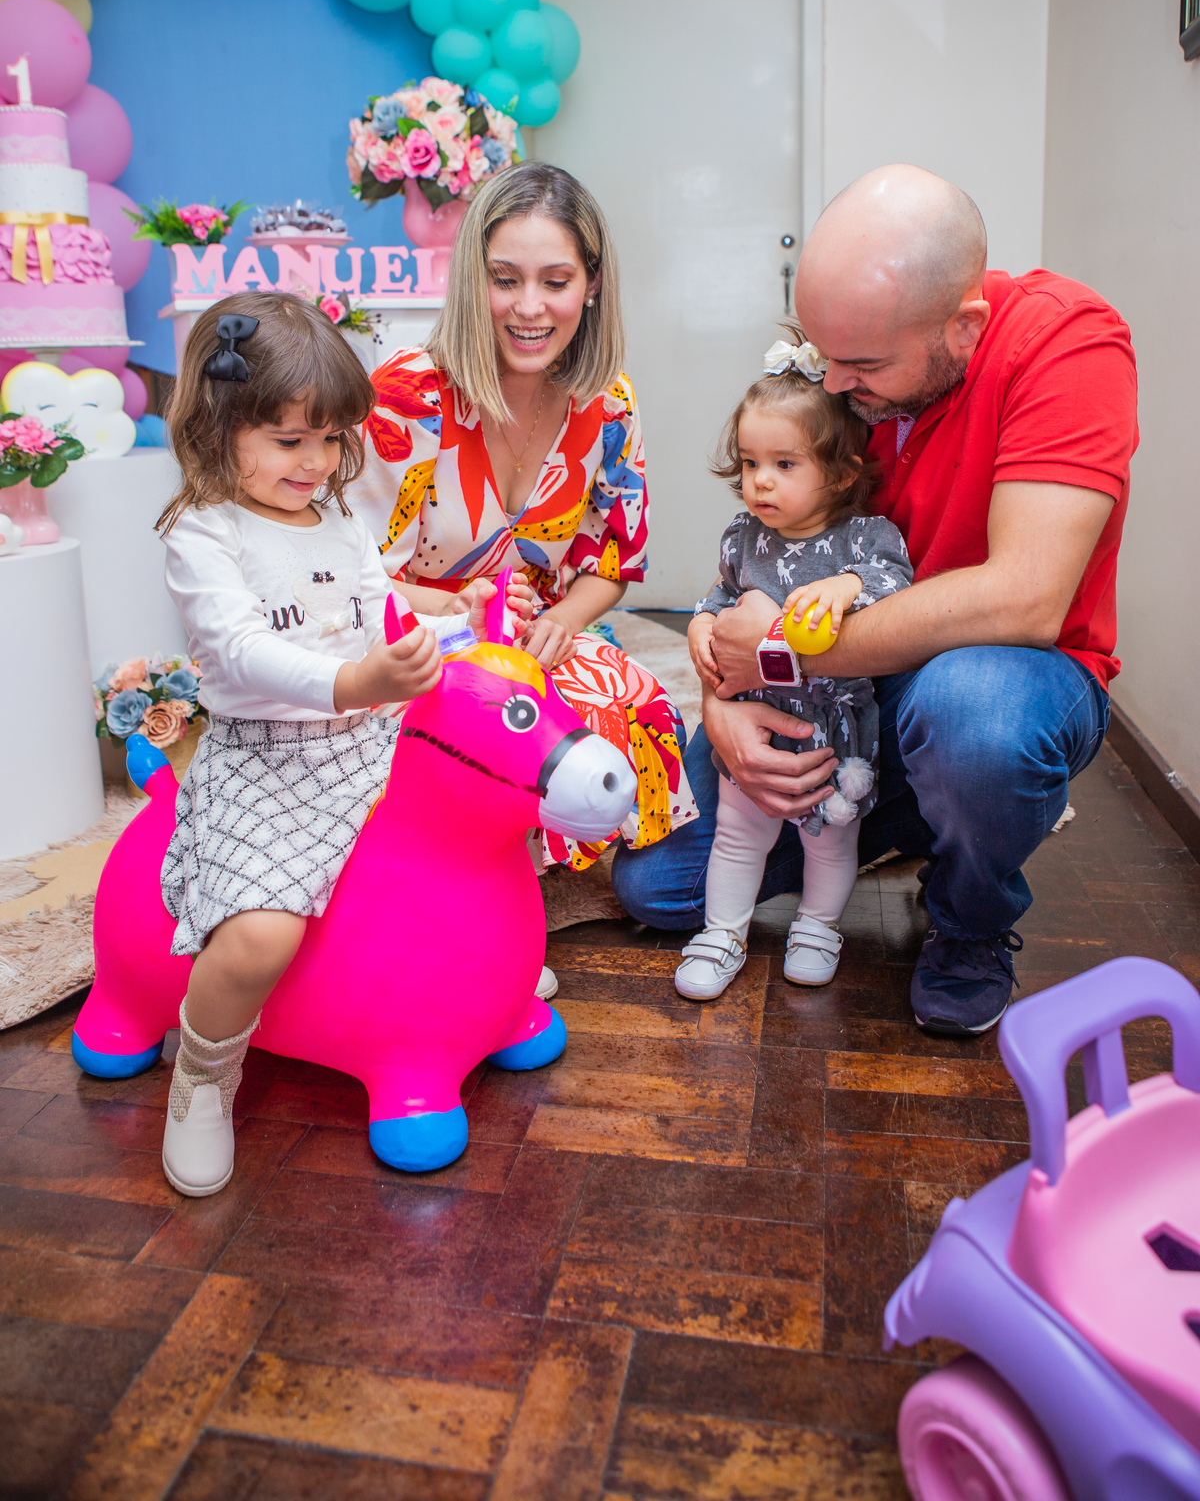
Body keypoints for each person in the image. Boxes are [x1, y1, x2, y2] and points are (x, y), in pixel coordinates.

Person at [613, 164, 1137, 1038]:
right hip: (841, 690)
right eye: (824, 355)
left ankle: (969, 915)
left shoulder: (1067, 344)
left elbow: (1027, 598)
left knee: (974, 723)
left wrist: (781, 650)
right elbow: (758, 570)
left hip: (1001, 677)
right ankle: (911, 812)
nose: (834, 384)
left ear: (964, 328)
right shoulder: (851, 367)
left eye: (861, 365)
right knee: (657, 887)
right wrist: (722, 696)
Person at [155, 294, 511, 1198]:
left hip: (367, 736)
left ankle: (483, 975)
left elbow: (375, 598)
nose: (316, 463)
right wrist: (356, 682)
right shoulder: (204, 532)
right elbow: (240, 651)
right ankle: (204, 1072)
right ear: (218, 425)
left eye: (329, 438)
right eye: (289, 440)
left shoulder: (338, 517)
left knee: (469, 822)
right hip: (266, 759)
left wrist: (449, 611)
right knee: (258, 937)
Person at [355, 161, 697, 897]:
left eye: (556, 280)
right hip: (411, 639)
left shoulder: (609, 403)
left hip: (528, 636)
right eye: (504, 279)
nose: (529, 307)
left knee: (633, 701)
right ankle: (462, 875)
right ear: (470, 280)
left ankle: (532, 865)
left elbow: (613, 560)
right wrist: (455, 610)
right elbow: (348, 575)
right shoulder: (409, 397)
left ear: (592, 285)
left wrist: (564, 623)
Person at [675, 336, 912, 1003]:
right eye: (751, 463)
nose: (760, 481)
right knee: (736, 835)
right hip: (755, 722)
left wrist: (845, 586)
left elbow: (894, 586)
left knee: (830, 839)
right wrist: (699, 626)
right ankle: (723, 933)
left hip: (832, 732)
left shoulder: (864, 539)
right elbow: (719, 597)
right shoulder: (744, 538)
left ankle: (817, 926)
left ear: (840, 473)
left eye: (784, 464)